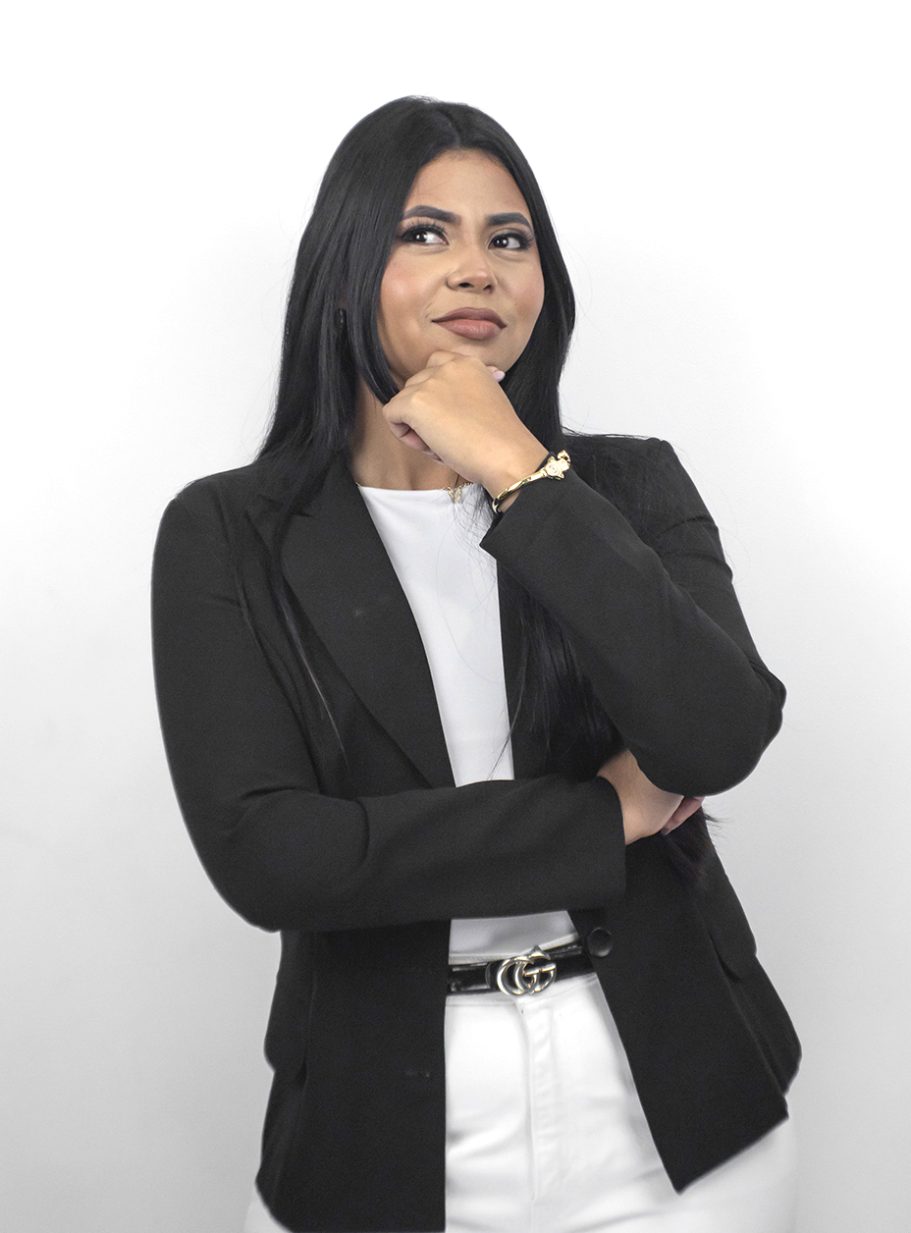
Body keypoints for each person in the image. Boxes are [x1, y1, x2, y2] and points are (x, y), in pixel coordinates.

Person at [151, 96, 802, 1233]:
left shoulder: (628, 486)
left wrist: (517, 469)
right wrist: (602, 817)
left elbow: (714, 737)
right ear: (345, 274)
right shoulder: (229, 532)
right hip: (384, 1136)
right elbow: (275, 857)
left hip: (679, 1131)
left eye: (509, 239)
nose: (477, 268)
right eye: (425, 232)